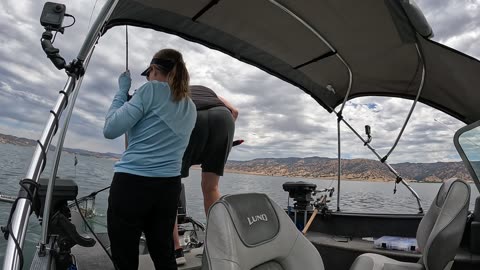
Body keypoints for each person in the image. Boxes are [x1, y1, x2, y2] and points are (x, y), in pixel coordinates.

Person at [103, 48, 196, 270]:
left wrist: (121, 92)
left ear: (154, 70)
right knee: (164, 254)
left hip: (132, 185)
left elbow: (110, 129)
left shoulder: (150, 90)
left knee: (125, 256)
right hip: (168, 189)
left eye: (148, 74)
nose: (147, 78)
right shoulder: (191, 107)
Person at [173, 85, 238, 265]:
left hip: (193, 119)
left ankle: (176, 251)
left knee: (170, 188)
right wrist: (220, 141)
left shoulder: (177, 92)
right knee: (211, 188)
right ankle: (222, 245)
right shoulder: (209, 92)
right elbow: (235, 111)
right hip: (224, 119)